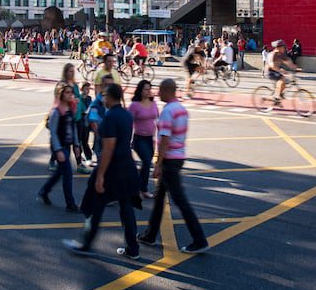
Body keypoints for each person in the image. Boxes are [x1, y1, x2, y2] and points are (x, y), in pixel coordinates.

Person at [65, 83, 142, 261]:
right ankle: (133, 248)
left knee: (95, 205)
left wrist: (100, 175)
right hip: (127, 166)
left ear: (110, 97)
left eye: (105, 96)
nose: (103, 99)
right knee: (126, 207)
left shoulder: (109, 119)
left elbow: (108, 149)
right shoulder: (126, 115)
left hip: (112, 169)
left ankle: (85, 244)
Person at [136, 78, 209, 253]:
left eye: (160, 90)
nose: (157, 93)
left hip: (169, 160)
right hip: (179, 156)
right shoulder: (181, 109)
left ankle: (199, 240)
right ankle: (150, 234)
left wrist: (158, 164)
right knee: (160, 198)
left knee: (180, 200)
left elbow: (165, 140)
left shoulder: (168, 111)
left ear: (167, 90)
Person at [36, 83, 79, 212]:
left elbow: (73, 127)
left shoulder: (70, 109)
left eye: (71, 92)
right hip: (59, 146)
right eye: (67, 92)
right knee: (67, 173)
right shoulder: (56, 111)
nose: (70, 95)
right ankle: (70, 204)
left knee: (60, 172)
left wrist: (76, 144)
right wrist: (58, 150)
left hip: (67, 144)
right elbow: (53, 132)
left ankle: (44, 191)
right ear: (60, 94)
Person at [129, 80, 159, 199]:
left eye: (149, 89)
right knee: (146, 162)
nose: (148, 91)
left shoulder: (153, 103)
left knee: (146, 165)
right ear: (140, 90)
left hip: (150, 139)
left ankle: (141, 188)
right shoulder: (134, 105)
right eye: (146, 89)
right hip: (139, 138)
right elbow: (128, 122)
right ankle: (142, 189)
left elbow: (158, 119)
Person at [267, 39, 298, 104]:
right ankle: (277, 96)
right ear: (279, 47)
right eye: (283, 47)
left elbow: (288, 62)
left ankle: (278, 97)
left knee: (286, 81)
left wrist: (295, 67)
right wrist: (281, 71)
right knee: (282, 79)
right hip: (270, 72)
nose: (284, 48)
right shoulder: (273, 54)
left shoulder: (281, 54)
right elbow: (272, 65)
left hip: (276, 71)